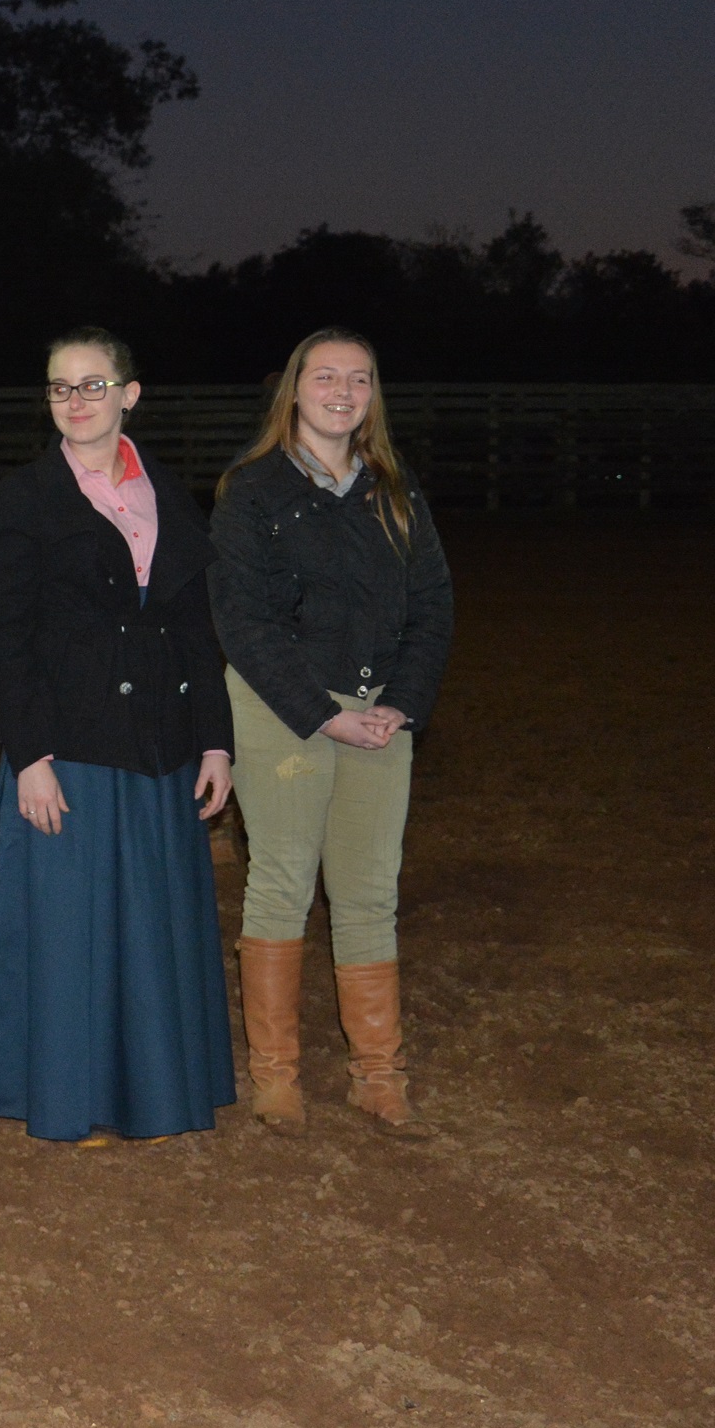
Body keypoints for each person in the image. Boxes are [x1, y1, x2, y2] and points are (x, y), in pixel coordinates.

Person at [0, 327, 238, 1144]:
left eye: (93, 384)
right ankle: (67, 1094)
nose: (76, 401)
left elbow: (197, 626)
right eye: (60, 387)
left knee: (149, 928)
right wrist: (29, 756)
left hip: (160, 746)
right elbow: (6, 636)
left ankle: (152, 1091)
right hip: (70, 747)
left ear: (130, 393)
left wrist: (216, 741)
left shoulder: (169, 491)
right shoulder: (27, 494)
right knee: (69, 934)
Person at [210, 328, 453, 1139]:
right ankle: (276, 1077)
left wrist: (401, 703)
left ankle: (379, 1074)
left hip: (379, 714)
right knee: (283, 881)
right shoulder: (253, 491)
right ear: (295, 389)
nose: (342, 391)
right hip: (284, 709)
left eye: (359, 378)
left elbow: (433, 604)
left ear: (373, 394)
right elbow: (243, 621)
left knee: (368, 890)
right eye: (326, 377)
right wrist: (322, 713)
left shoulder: (394, 490)